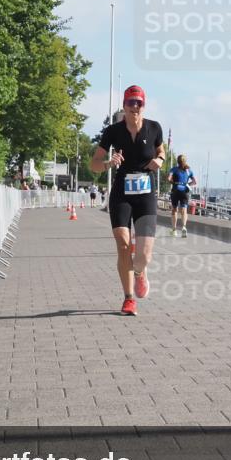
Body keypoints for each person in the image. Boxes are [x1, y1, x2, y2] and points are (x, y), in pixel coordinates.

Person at [90, 85, 165, 316]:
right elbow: (93, 165)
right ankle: (128, 298)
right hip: (122, 193)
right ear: (123, 106)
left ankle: (140, 273)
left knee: (143, 256)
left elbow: (161, 151)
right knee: (123, 245)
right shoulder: (113, 131)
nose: (134, 107)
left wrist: (160, 160)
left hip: (145, 195)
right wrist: (108, 164)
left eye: (138, 103)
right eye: (130, 103)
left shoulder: (154, 128)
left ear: (144, 105)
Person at [167, 154, 197, 237]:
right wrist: (187, 185)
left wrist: (173, 183)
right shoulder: (189, 170)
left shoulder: (174, 169)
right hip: (185, 191)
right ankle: (184, 227)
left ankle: (174, 230)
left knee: (174, 209)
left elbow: (168, 179)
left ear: (177, 161)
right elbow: (195, 181)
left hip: (175, 190)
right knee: (184, 209)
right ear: (185, 161)